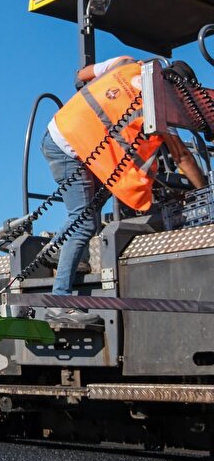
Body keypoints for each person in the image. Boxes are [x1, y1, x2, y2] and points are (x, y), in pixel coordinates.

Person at [43, 55, 206, 326]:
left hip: (62, 132)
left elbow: (80, 76)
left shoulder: (125, 62)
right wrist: (204, 192)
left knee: (94, 205)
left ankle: (56, 249)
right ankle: (59, 303)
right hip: (68, 148)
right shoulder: (162, 103)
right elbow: (182, 157)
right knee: (83, 223)